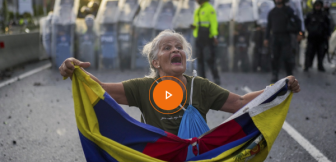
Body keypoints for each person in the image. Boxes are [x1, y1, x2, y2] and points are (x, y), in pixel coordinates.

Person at [59, 30, 300, 136]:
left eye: (179, 47)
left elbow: (240, 102)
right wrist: (73, 68)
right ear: (155, 62)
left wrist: (278, 87)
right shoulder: (143, 88)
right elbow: (99, 89)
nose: (176, 50)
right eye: (167, 48)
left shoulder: (201, 87)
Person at [264, 0, 303, 83]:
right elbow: (268, 26)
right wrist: (266, 38)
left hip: (286, 36)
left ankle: (289, 75)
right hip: (275, 37)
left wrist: (300, 33)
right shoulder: (272, 12)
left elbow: (298, 21)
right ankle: (275, 74)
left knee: (287, 56)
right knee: (274, 57)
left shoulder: (289, 10)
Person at [191, 0, 220, 85]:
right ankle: (202, 79)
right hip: (199, 37)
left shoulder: (209, 8)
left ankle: (216, 77)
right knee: (199, 59)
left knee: (209, 58)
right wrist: (193, 27)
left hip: (207, 38)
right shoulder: (197, 10)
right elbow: (196, 23)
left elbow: (213, 23)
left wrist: (215, 36)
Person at [304, 0, 331, 72]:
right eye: (316, 5)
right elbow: (305, 23)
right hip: (312, 37)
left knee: (321, 53)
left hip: (321, 38)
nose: (317, 6)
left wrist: (328, 35)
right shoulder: (310, 14)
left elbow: (329, 25)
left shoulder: (324, 15)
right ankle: (307, 65)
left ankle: (320, 65)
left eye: (319, 5)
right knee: (309, 52)